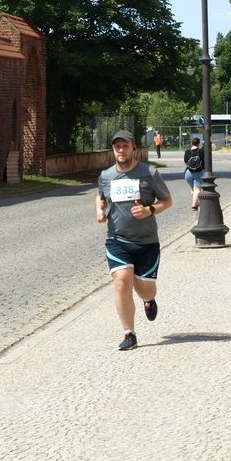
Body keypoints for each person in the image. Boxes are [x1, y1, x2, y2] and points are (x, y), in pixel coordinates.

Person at [96, 131, 173, 350]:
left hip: (147, 241)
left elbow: (167, 200)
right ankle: (129, 334)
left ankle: (149, 300)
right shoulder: (106, 176)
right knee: (122, 283)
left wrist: (149, 210)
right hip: (117, 239)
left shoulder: (149, 173)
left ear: (134, 148)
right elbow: (100, 196)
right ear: (113, 150)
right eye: (117, 146)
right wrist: (100, 210)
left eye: (125, 146)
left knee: (145, 289)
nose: (121, 150)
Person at [183, 137, 204, 211]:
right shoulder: (201, 151)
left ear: (191, 143)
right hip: (199, 172)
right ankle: (194, 206)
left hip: (188, 172)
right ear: (199, 143)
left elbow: (186, 162)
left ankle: (196, 202)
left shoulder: (187, 151)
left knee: (193, 189)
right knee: (197, 189)